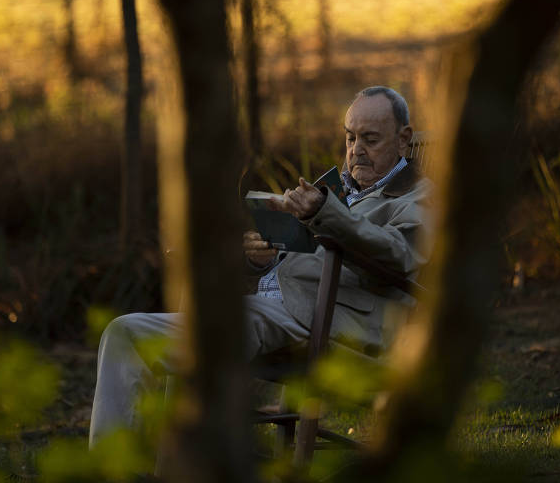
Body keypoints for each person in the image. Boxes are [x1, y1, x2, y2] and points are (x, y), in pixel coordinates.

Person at [88, 86, 435, 446]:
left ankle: (192, 453)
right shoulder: (338, 192)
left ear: (403, 139)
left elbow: (398, 254)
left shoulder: (418, 198)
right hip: (271, 312)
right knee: (123, 332)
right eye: (350, 137)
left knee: (164, 339)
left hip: (325, 324)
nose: (356, 150)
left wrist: (324, 213)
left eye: (370, 139)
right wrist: (259, 260)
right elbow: (308, 251)